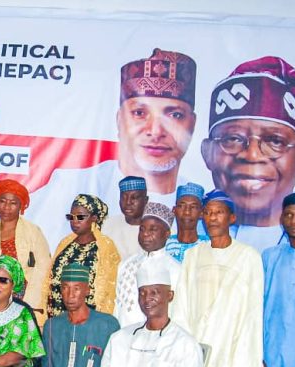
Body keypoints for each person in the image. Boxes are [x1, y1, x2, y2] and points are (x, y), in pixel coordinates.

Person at [27, 48, 197, 246]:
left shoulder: (198, 202)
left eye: (174, 115)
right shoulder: (70, 184)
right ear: (119, 120)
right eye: (139, 113)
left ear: (192, 124)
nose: (156, 131)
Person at [61, 263, 205, 367]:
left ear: (170, 295)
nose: (147, 298)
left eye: (154, 292)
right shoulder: (120, 338)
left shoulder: (185, 344)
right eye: (142, 293)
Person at [172, 190, 267, 367]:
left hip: (232, 349)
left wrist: (246, 354)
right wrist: (185, 348)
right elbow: (182, 305)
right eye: (208, 213)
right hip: (198, 347)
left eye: (219, 213)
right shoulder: (194, 256)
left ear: (232, 218)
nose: (212, 218)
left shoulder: (248, 257)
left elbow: (253, 313)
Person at [0, 263, 120, 367]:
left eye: (77, 288)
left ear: (87, 290)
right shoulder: (52, 325)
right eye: (65, 288)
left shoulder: (107, 325)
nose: (70, 295)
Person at [201, 56, 295, 252]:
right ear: (208, 153)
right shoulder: (186, 234)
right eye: (233, 138)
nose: (252, 155)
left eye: (275, 141)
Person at [0, 179, 51, 321]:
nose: (7, 207)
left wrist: (29, 302)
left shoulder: (33, 232)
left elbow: (44, 267)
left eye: (13, 203)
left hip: (26, 298)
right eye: (2, 201)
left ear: (21, 206)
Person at [47, 194, 120, 318]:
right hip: (58, 316)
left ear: (94, 218)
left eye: (80, 217)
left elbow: (110, 289)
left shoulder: (105, 247)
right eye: (71, 217)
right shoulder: (65, 244)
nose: (74, 221)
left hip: (89, 319)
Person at [262, 190, 295, 367]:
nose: (294, 221)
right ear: (281, 219)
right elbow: (255, 311)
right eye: (288, 215)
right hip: (270, 365)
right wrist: (257, 360)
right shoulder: (269, 257)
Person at [114, 202, 180, 328]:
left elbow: (176, 312)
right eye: (142, 229)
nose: (145, 234)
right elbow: (117, 306)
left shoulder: (175, 269)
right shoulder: (125, 264)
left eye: (153, 229)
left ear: (167, 234)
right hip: (123, 334)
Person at [102, 176, 149, 260]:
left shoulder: (156, 228)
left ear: (146, 200)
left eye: (134, 197)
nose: (128, 202)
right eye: (124, 197)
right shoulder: (107, 225)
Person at [165, 183, 209, 263]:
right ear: (174, 210)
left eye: (193, 207)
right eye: (181, 206)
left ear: (201, 213)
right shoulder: (163, 245)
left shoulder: (210, 246)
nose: (187, 212)